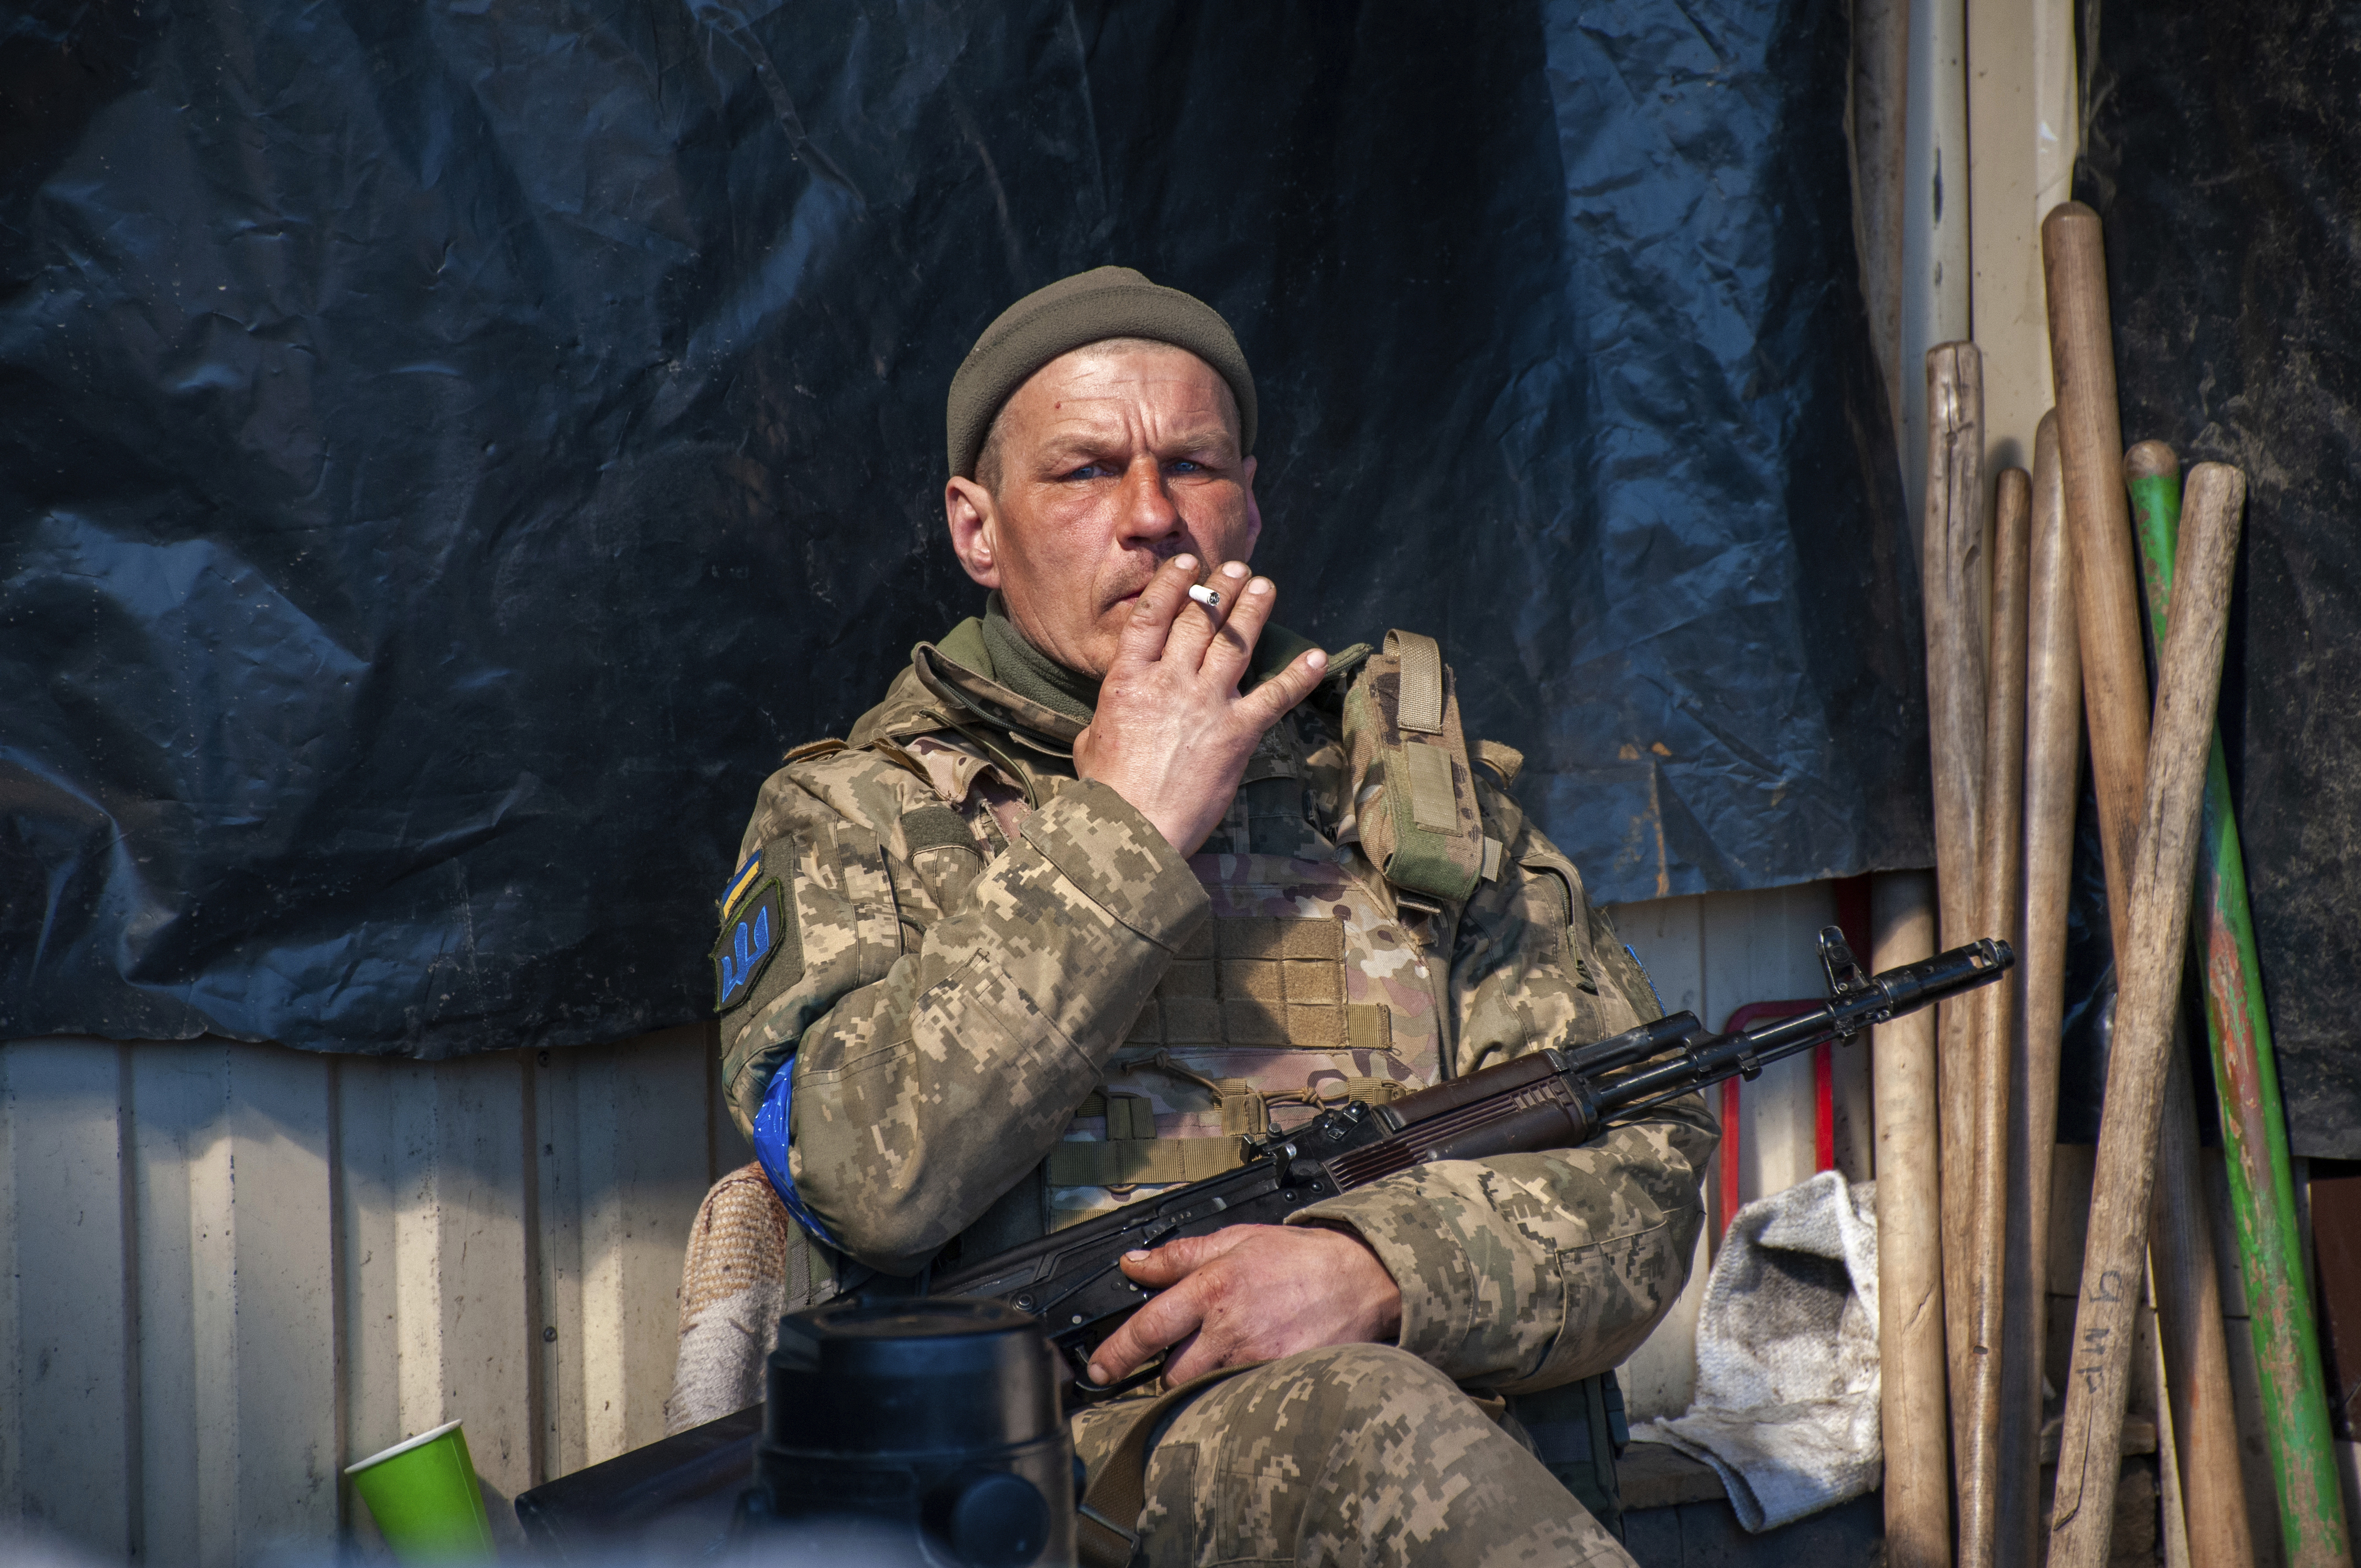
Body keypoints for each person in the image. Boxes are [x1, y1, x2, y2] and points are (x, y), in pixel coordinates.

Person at [668, 266, 1715, 1567]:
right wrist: (1124, 823)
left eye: (1193, 466)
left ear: (1251, 503)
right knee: (1360, 1422)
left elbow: (1646, 1149)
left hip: (1458, 1451)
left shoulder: (1395, 801)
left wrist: (1377, 1268)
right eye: (1085, 471)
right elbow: (863, 1179)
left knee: (1369, 1412)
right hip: (1059, 1493)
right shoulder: (853, 818)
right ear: (976, 527)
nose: (1152, 516)